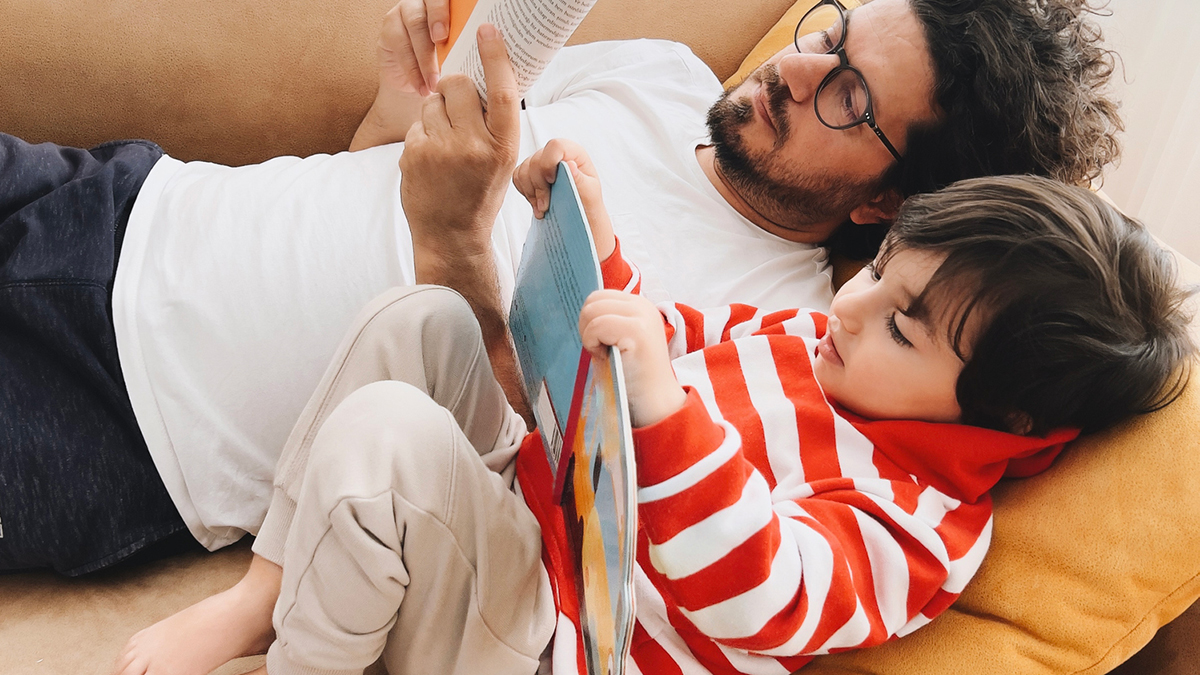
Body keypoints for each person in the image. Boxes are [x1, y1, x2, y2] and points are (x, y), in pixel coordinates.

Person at [0, 0, 1121, 577]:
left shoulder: (752, 345)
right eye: (829, 35)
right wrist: (401, 105)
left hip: (137, 431)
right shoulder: (660, 74)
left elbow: (491, 486)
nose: (794, 69)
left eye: (849, 98)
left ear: (886, 202)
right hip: (135, 201)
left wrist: (454, 247)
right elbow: (372, 169)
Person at [113, 142, 1194, 675]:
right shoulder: (814, 339)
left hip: (549, 642)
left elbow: (768, 595)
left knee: (386, 440)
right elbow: (657, 332)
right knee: (425, 321)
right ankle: (264, 595)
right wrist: (591, 240)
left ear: (1005, 422)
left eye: (903, 327)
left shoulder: (920, 526)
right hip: (521, 519)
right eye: (878, 271)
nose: (852, 308)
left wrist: (668, 411)